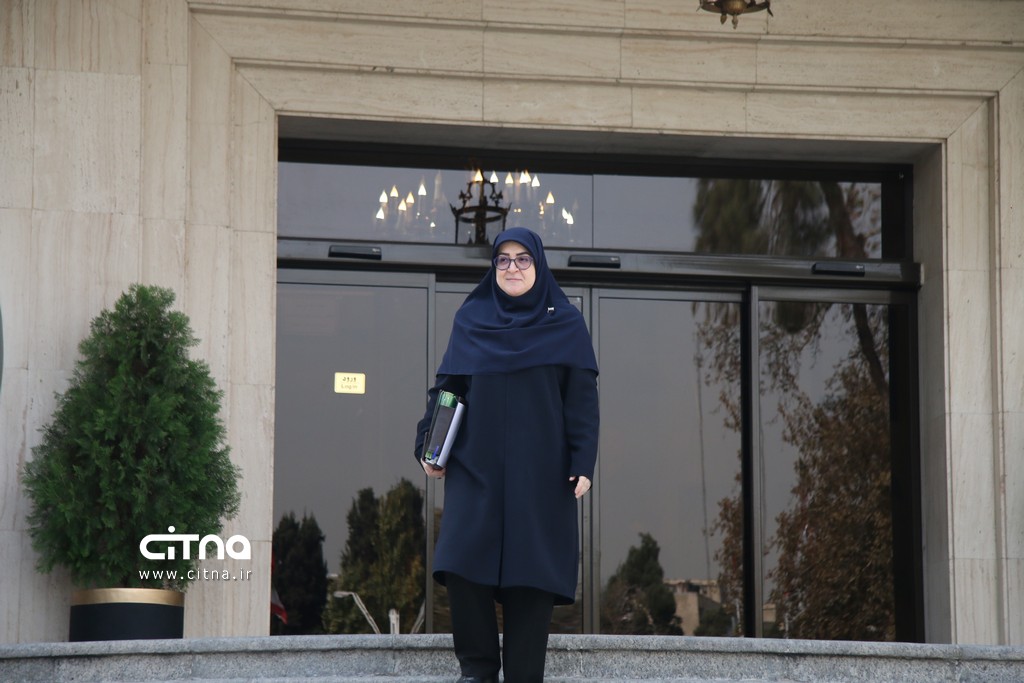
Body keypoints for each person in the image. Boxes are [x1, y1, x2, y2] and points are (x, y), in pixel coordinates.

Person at [414, 227, 600, 683]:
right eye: (503, 259)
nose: (511, 267)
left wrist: (582, 462)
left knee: (530, 580)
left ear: (538, 265)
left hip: (540, 478)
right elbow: (449, 389)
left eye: (522, 259)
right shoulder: (471, 319)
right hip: (475, 472)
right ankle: (476, 671)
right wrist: (430, 447)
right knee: (461, 565)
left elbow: (581, 400)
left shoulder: (566, 324)